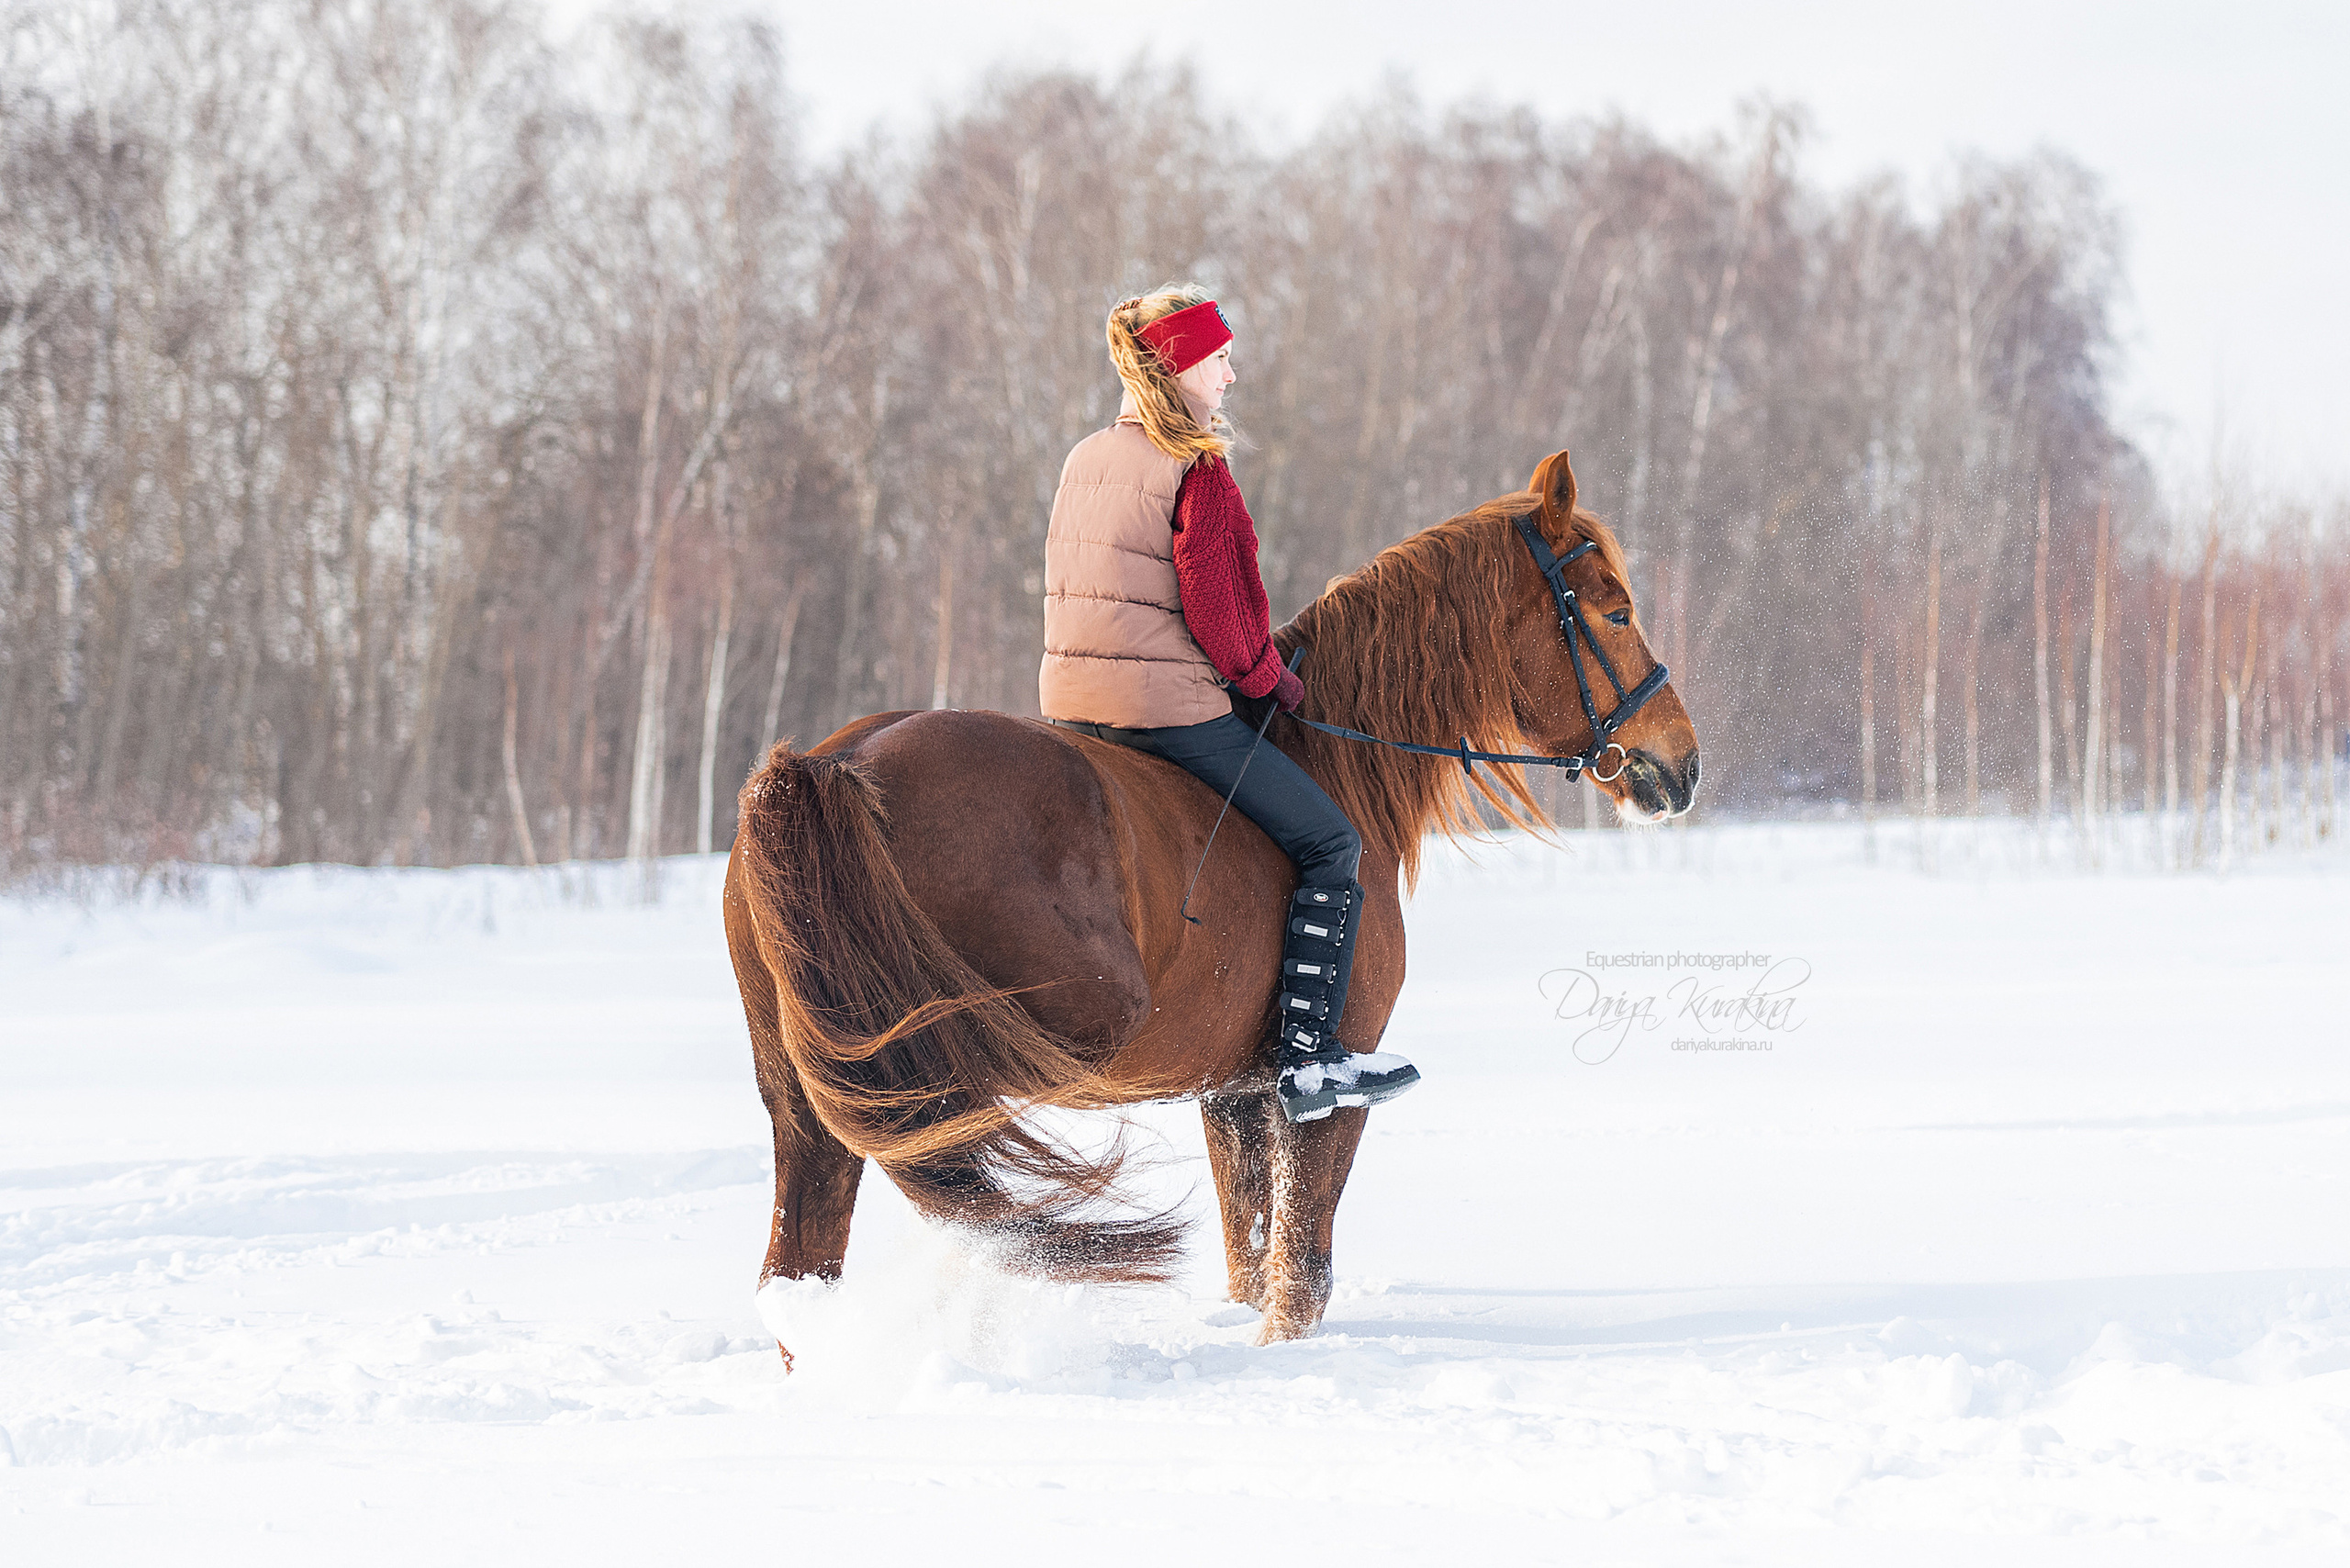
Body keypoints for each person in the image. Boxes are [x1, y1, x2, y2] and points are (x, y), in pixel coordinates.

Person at [1038, 283, 1420, 1125]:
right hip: (1166, 711)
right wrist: (1267, 680)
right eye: (1218, 358)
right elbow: (1219, 613)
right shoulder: (1197, 469)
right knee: (1330, 841)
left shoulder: (1085, 457)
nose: (1231, 374)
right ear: (1178, 368)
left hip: (1073, 706)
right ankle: (1307, 1055)